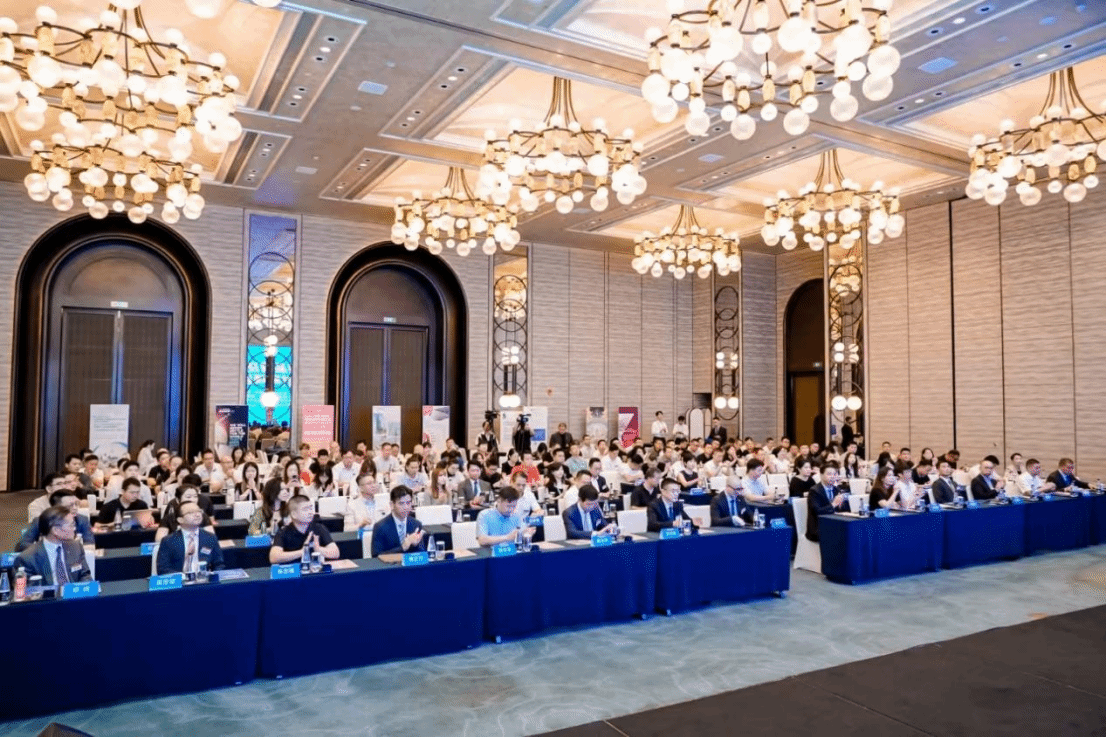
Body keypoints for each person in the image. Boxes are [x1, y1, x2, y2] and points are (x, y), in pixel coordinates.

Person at [13, 506, 92, 587]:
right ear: (56, 530)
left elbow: (85, 575)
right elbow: (27, 590)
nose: (74, 529)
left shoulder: (76, 547)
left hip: (74, 593)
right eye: (71, 525)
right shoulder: (27, 558)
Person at [155, 502, 225, 576]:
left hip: (204, 580)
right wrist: (182, 577)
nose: (197, 515)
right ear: (180, 520)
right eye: (190, 512)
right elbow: (162, 569)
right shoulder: (168, 541)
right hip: (180, 580)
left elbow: (219, 565)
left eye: (199, 511)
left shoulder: (210, 537)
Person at [16, 489, 95, 551]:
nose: (75, 508)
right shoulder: (40, 521)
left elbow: (90, 544)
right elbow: (23, 544)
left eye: (76, 504)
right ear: (56, 508)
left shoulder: (82, 520)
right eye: (70, 506)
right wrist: (49, 548)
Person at [270, 495, 340, 564]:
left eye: (311, 508)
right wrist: (302, 552)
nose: (310, 512)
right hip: (293, 569)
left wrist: (318, 549)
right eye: (305, 509)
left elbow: (336, 553)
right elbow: (273, 557)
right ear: (294, 514)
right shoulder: (283, 532)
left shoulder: (319, 528)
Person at [370, 486, 427, 556]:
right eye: (401, 503)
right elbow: (376, 556)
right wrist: (403, 547)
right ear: (392, 505)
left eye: (408, 503)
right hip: (390, 563)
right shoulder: (380, 527)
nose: (406, 507)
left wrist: (415, 545)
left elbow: (422, 554)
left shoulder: (416, 524)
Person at [806, 463, 846, 542]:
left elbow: (842, 509)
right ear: (821, 475)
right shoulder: (814, 491)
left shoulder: (836, 489)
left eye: (834, 474)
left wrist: (841, 504)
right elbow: (818, 512)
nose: (832, 476)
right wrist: (833, 504)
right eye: (829, 474)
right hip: (818, 527)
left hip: (834, 523)